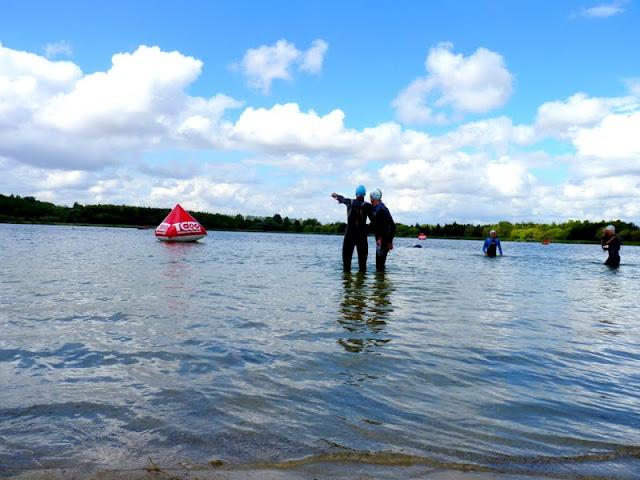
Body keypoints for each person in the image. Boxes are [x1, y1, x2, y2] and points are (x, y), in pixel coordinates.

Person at [331, 185, 373, 272]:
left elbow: (341, 198)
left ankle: (347, 279)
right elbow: (374, 222)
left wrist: (335, 195)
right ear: (364, 195)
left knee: (346, 264)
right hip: (361, 236)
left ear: (356, 194)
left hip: (349, 235)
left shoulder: (349, 202)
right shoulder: (367, 206)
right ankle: (361, 279)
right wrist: (366, 229)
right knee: (362, 264)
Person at [369, 188, 395, 272]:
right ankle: (381, 280)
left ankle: (381, 279)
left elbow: (392, 226)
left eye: (371, 197)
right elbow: (377, 226)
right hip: (381, 241)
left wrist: (389, 242)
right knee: (379, 266)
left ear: (375, 198)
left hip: (383, 241)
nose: (370, 199)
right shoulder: (377, 208)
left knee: (379, 266)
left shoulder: (382, 209)